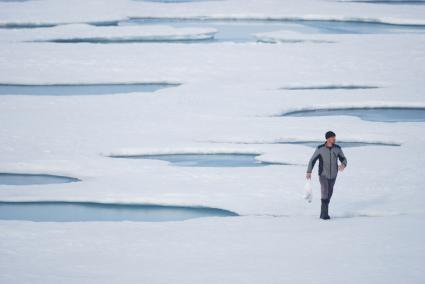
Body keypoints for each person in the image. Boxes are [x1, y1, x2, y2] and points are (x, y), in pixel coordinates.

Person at [306, 131, 347, 220]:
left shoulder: (337, 148)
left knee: (329, 193)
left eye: (334, 137)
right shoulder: (320, 149)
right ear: (328, 139)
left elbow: (343, 158)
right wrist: (309, 171)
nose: (334, 139)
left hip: (334, 175)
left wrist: (343, 164)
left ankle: (322, 213)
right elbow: (312, 160)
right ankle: (325, 215)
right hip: (323, 174)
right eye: (333, 137)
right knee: (324, 191)